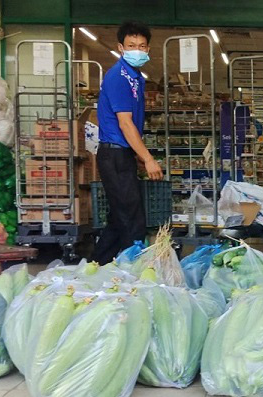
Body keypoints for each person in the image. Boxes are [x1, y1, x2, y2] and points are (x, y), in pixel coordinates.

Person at [91, 21, 163, 265]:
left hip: (121, 155)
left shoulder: (134, 77)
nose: (137, 50)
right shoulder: (118, 77)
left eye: (142, 46)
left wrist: (137, 155)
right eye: (131, 45)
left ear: (148, 49)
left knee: (119, 217)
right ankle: (134, 272)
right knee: (132, 220)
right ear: (120, 47)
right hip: (114, 155)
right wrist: (148, 157)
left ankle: (94, 266)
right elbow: (125, 124)